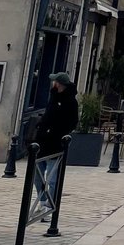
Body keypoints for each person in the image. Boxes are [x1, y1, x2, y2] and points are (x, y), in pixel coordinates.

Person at [34, 72, 79, 215]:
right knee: (37, 175)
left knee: (52, 178)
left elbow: (73, 121)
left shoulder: (71, 101)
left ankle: (49, 205)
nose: (53, 83)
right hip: (41, 142)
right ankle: (42, 201)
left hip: (55, 143)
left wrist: (59, 133)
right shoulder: (53, 97)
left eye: (55, 81)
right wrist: (41, 127)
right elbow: (48, 115)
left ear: (59, 83)